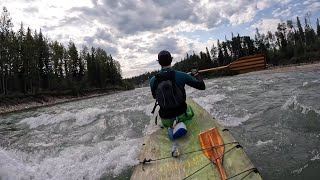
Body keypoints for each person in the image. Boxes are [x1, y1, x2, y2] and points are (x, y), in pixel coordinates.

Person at [150, 50, 206, 140]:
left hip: (165, 118)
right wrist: (196, 74)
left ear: (159, 62)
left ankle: (170, 127)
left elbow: (155, 97)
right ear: (171, 60)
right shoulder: (181, 75)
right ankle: (180, 124)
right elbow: (202, 86)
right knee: (190, 108)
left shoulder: (153, 80)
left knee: (167, 119)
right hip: (182, 114)